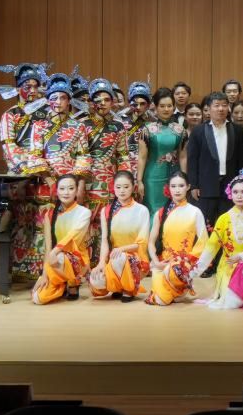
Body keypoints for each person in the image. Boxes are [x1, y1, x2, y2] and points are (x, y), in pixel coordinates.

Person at [23, 73, 91, 278]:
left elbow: (83, 155)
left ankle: (71, 268)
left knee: (72, 227)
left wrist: (79, 185)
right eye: (54, 98)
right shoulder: (39, 126)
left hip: (71, 185)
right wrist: (51, 181)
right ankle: (43, 270)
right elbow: (34, 156)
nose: (58, 102)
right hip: (47, 184)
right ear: (48, 101)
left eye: (63, 98)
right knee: (43, 226)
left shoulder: (78, 126)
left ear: (69, 101)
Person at [0, 61, 52, 277]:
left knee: (43, 218)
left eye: (36, 86)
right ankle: (15, 265)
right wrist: (28, 164)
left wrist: (44, 164)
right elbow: (9, 145)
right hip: (21, 173)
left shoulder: (48, 113)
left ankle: (43, 265)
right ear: (18, 88)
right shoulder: (10, 115)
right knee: (18, 217)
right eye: (28, 86)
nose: (32, 91)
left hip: (44, 170)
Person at [185, 91, 243, 274]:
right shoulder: (199, 131)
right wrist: (194, 185)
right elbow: (192, 160)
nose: (221, 109)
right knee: (207, 227)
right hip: (206, 186)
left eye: (224, 105)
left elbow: (241, 160)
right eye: (216, 105)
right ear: (208, 109)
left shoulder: (237, 130)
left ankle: (224, 264)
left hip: (230, 187)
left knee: (227, 226)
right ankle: (206, 265)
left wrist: (241, 184)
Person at [192, 169, 243, 309]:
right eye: (235, 192)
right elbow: (212, 246)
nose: (239, 196)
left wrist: (242, 256)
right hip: (228, 266)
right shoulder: (223, 219)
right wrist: (195, 271)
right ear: (230, 194)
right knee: (231, 299)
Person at [79, 78, 131, 265]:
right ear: (91, 102)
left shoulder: (118, 126)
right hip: (88, 180)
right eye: (98, 100)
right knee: (86, 222)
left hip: (110, 182)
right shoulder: (82, 124)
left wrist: (126, 180)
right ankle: (84, 262)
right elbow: (79, 155)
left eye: (106, 100)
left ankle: (106, 261)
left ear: (112, 102)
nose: (102, 103)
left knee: (108, 221)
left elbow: (123, 155)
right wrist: (80, 182)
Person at [146, 171, 208, 306]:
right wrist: (156, 262)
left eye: (181, 186)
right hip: (162, 263)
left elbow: (203, 242)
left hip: (183, 266)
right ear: (168, 188)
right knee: (161, 300)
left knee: (163, 299)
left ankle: (180, 286)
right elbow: (150, 243)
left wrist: (187, 261)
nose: (177, 190)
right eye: (173, 186)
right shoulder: (160, 213)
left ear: (188, 187)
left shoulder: (195, 212)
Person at [88, 171, 151, 301]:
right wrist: (101, 262)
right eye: (118, 187)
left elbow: (141, 244)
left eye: (126, 187)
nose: (122, 190)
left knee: (120, 257)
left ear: (133, 188)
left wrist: (122, 249)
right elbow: (105, 240)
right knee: (95, 280)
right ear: (113, 188)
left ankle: (128, 290)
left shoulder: (142, 210)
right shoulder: (106, 211)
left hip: (135, 259)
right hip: (114, 258)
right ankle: (118, 287)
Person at [31, 175, 92, 305]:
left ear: (77, 191)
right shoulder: (49, 214)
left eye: (71, 188)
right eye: (62, 189)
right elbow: (48, 248)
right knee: (38, 298)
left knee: (60, 256)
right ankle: (61, 284)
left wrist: (55, 252)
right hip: (55, 261)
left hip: (76, 260)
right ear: (56, 191)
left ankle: (73, 283)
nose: (66, 192)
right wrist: (44, 275)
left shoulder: (84, 212)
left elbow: (72, 237)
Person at [136, 87, 188, 219]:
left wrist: (184, 178)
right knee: (154, 212)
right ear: (155, 107)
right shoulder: (147, 130)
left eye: (169, 106)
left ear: (173, 107)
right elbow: (142, 157)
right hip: (152, 178)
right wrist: (139, 181)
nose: (166, 109)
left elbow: (183, 156)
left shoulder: (180, 130)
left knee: (174, 212)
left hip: (174, 177)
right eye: (162, 106)